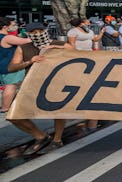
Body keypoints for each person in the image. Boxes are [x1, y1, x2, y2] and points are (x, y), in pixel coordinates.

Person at [7, 22, 73, 154]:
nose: (37, 34)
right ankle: (40, 136)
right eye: (33, 32)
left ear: (45, 30)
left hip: (57, 84)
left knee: (58, 113)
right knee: (13, 115)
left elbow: (77, 54)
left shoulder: (59, 44)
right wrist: (30, 61)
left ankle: (57, 139)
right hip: (32, 85)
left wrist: (56, 49)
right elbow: (11, 67)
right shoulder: (23, 47)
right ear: (28, 34)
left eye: (39, 31)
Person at [0, 17, 33, 115]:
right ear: (5, 27)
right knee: (11, 86)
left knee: (9, 85)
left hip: (3, 64)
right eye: (13, 25)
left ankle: (7, 105)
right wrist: (35, 35)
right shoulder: (7, 38)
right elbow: (26, 41)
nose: (15, 27)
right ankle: (5, 108)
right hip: (10, 65)